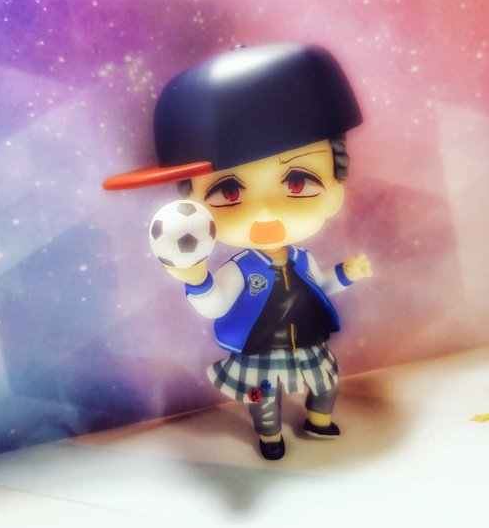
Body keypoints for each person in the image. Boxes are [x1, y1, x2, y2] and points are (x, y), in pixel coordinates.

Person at [104, 43, 372, 460]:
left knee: (326, 382)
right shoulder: (240, 269)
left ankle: (319, 420)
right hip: (260, 350)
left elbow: (319, 284)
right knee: (264, 398)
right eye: (229, 192)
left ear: (334, 191)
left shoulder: (302, 259)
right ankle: (270, 435)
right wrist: (196, 279)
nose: (264, 213)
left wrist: (346, 274)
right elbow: (215, 304)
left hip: (309, 343)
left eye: (297, 183)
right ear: (192, 207)